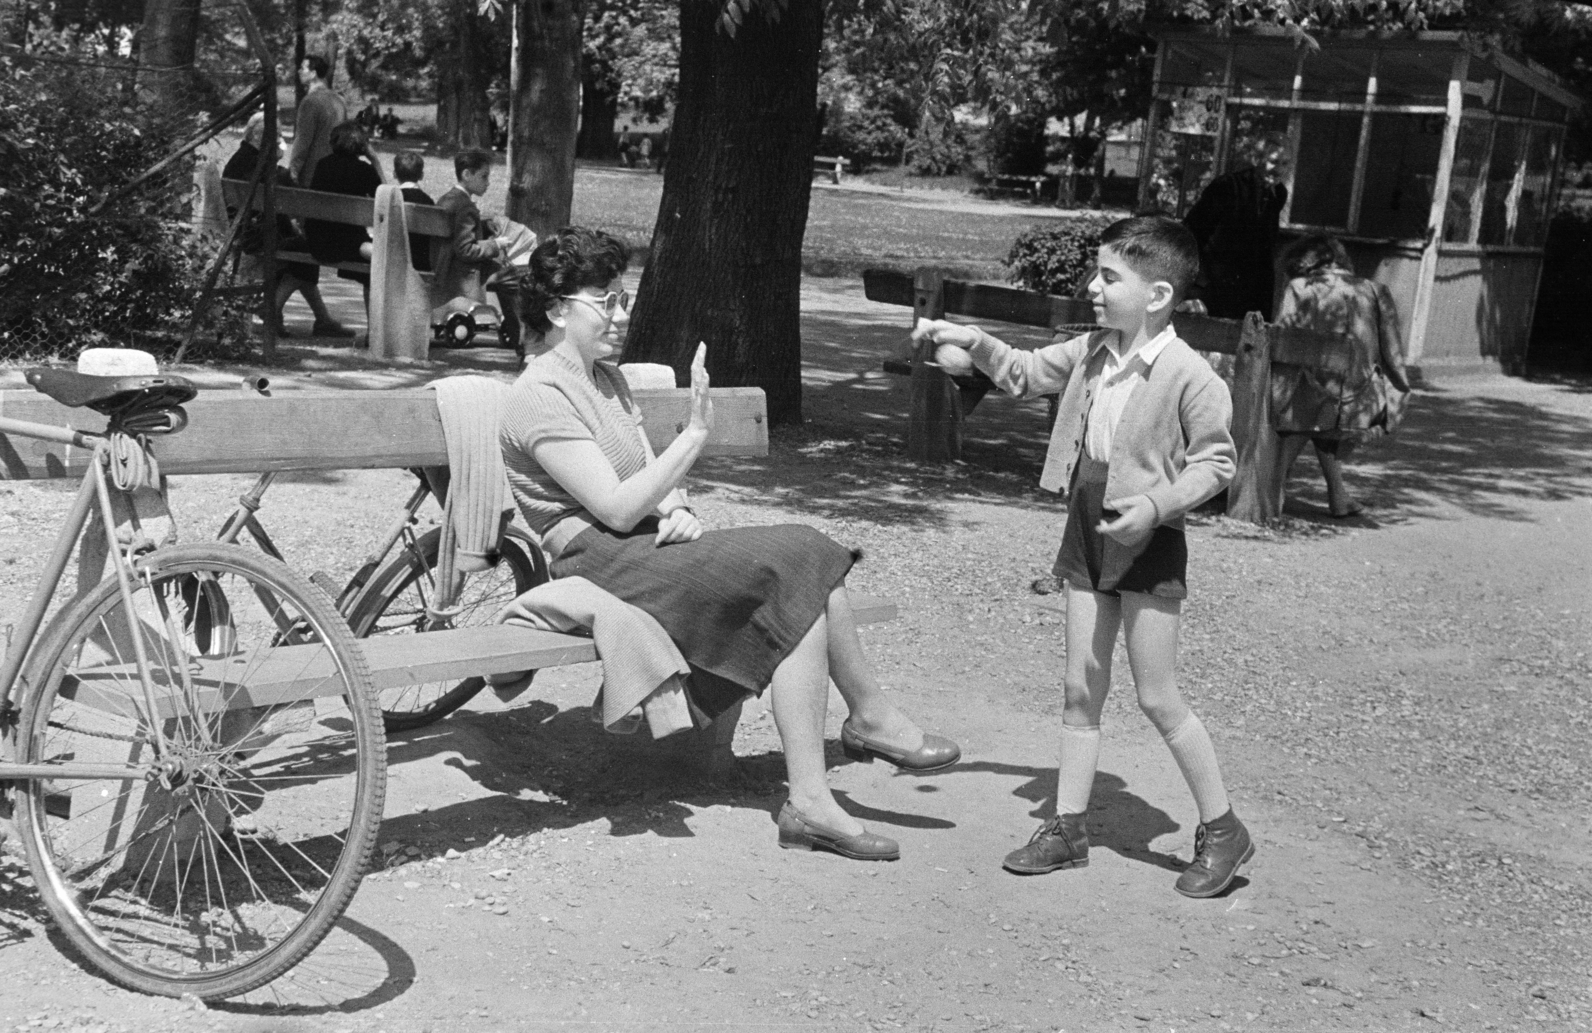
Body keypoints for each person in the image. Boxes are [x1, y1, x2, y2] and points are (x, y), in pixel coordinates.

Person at [499, 227, 960, 861]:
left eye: (622, 295)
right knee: (802, 553)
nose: (621, 312)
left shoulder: (608, 381)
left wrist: (680, 507)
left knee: (804, 574)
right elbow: (612, 504)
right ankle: (865, 726)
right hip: (596, 562)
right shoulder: (537, 396)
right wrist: (693, 438)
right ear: (556, 310)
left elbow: (645, 476)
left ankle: (814, 796)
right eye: (605, 300)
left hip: (642, 548)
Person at [911, 215, 1253, 898]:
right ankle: (1067, 826)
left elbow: (1218, 462)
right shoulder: (1095, 350)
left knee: (1156, 694)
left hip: (1149, 536)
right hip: (1086, 526)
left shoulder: (1190, 372)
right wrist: (968, 340)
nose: (1093, 288)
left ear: (1156, 294)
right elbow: (1022, 371)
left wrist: (1157, 506)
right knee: (1079, 687)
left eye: (1108, 277)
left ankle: (1223, 828)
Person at [1271, 235, 1412, 519]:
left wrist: (1274, 393)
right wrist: (1398, 395)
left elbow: (1284, 343)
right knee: (1322, 422)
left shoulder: (1300, 288)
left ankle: (1271, 491)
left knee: (1302, 418)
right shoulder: (1374, 290)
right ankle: (1338, 496)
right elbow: (1393, 353)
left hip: (1311, 396)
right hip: (1361, 400)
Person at [222, 112, 352, 338]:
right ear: (261, 137)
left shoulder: (238, 160)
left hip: (243, 231)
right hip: (259, 236)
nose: (280, 140)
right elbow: (281, 211)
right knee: (307, 251)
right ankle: (273, 310)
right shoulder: (265, 167)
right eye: (278, 136)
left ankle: (322, 319)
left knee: (301, 253)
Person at [1183, 141, 1289, 320]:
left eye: (1284, 163)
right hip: (1215, 285)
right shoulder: (1228, 186)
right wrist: (1199, 283)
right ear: (1256, 159)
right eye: (1274, 162)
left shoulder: (1278, 193)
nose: (1279, 170)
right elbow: (1192, 231)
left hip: (1251, 289)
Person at [432, 150, 520, 350]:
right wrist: (495, 245)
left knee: (506, 273)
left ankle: (515, 330)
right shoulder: (465, 207)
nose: (488, 182)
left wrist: (484, 225)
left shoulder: (448, 199)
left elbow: (458, 234)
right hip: (463, 273)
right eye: (483, 176)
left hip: (448, 265)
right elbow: (465, 249)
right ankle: (519, 334)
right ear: (466, 175)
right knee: (513, 277)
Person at [304, 121, 383, 317]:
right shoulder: (363, 170)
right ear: (361, 146)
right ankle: (374, 331)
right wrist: (375, 160)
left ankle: (275, 316)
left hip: (317, 241)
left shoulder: (322, 165)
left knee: (295, 270)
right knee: (376, 265)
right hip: (348, 245)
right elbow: (385, 200)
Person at [288, 54, 348, 189]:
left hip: (312, 174)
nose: (299, 71)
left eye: (303, 68)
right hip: (337, 172)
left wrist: (293, 170)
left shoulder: (310, 102)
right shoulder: (339, 100)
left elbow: (303, 140)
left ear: (313, 74)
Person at [393, 151, 436, 273]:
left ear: (394, 174)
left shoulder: (391, 199)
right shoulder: (428, 202)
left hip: (393, 257)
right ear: (421, 175)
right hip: (420, 261)